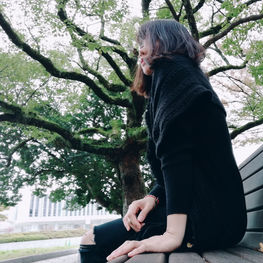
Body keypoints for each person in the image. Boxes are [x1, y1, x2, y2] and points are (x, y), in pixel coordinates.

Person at [79, 19, 247, 263]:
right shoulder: (181, 76)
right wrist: (152, 197)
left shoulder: (174, 71)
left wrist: (171, 234)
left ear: (164, 40)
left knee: (92, 241)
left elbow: (175, 155)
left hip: (207, 220)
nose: (140, 51)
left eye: (143, 42)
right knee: (96, 239)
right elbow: (186, 158)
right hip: (213, 215)